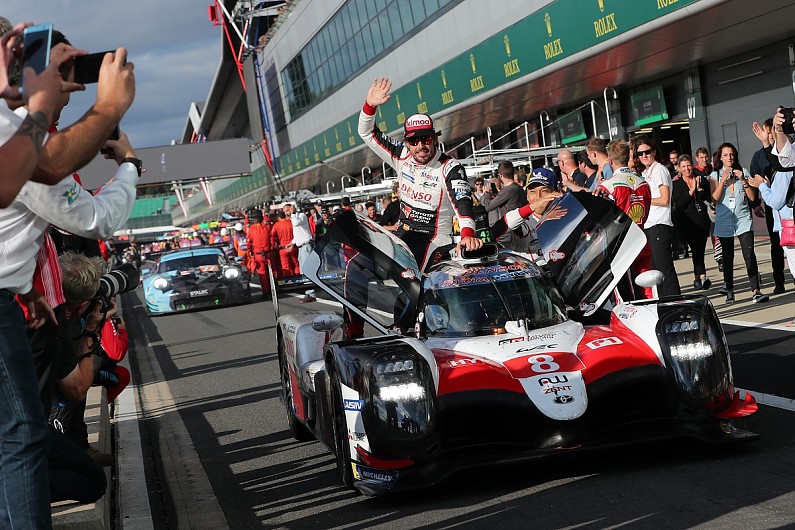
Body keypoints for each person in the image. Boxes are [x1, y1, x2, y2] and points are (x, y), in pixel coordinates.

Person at [358, 77, 481, 269]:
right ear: (407, 142)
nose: (421, 146)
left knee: (413, 276)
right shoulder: (400, 154)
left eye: (426, 139)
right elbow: (367, 134)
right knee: (362, 263)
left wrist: (467, 235)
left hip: (433, 238)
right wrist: (369, 107)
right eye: (414, 141)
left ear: (434, 139)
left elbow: (463, 206)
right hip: (403, 233)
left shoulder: (450, 167)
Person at [710, 142, 768, 304]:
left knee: (749, 254)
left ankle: (756, 290)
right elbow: (714, 198)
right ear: (720, 158)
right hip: (724, 220)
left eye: (732, 154)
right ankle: (729, 290)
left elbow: (751, 197)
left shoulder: (743, 172)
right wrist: (722, 181)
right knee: (728, 257)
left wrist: (743, 180)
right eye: (726, 155)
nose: (729, 158)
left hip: (743, 218)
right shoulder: (714, 175)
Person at [597, 139, 653, 299]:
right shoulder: (644, 183)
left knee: (625, 297)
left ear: (609, 160)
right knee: (647, 289)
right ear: (628, 156)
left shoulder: (608, 186)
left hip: (621, 247)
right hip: (642, 239)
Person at [635, 135, 681, 296]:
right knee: (655, 270)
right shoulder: (647, 171)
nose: (644, 156)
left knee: (664, 268)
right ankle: (664, 300)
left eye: (647, 152)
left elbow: (664, 198)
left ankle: (674, 302)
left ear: (654, 151)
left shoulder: (659, 169)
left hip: (659, 223)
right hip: (650, 224)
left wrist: (645, 200)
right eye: (640, 153)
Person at [751, 118, 787, 294]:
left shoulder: (785, 152)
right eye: (768, 134)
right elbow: (753, 180)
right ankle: (779, 280)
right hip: (772, 205)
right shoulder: (759, 156)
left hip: (786, 205)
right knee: (776, 244)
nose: (770, 136)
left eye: (771, 133)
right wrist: (755, 203)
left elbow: (778, 165)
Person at [671, 155, 712, 291]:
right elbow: (680, 203)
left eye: (688, 165)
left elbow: (707, 198)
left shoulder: (700, 179)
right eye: (683, 166)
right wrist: (691, 191)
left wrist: (700, 188)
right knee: (696, 248)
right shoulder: (676, 184)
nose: (687, 168)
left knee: (700, 249)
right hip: (688, 221)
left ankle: (696, 278)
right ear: (680, 169)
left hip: (702, 220)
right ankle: (703, 276)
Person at [483, 160, 527, 251]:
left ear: (501, 175)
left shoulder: (508, 190)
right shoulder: (519, 188)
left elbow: (488, 207)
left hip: (510, 230)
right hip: (522, 228)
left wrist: (486, 194)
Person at [246, 209, 273, 298]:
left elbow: (249, 243)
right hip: (269, 253)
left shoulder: (251, 229)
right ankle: (274, 288)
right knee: (272, 272)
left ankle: (266, 292)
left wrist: (250, 251)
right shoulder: (267, 227)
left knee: (262, 274)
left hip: (258, 255)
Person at [271, 209, 299, 277]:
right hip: (293, 247)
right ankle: (299, 278)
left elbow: (272, 236)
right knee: (297, 264)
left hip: (283, 248)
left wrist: (275, 246)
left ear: (278, 218)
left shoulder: (276, 225)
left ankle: (290, 282)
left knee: (286, 267)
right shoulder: (291, 222)